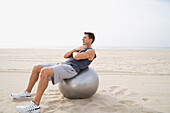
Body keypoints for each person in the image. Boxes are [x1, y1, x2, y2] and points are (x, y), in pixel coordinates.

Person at [11, 32, 96, 113]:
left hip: (71, 69)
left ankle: (35, 105)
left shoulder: (90, 51)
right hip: (64, 64)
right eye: (83, 37)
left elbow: (77, 57)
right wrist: (75, 49)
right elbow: (65, 56)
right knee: (37, 68)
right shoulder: (80, 49)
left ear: (90, 40)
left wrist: (75, 52)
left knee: (44, 71)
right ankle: (27, 93)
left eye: (85, 37)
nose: (82, 39)